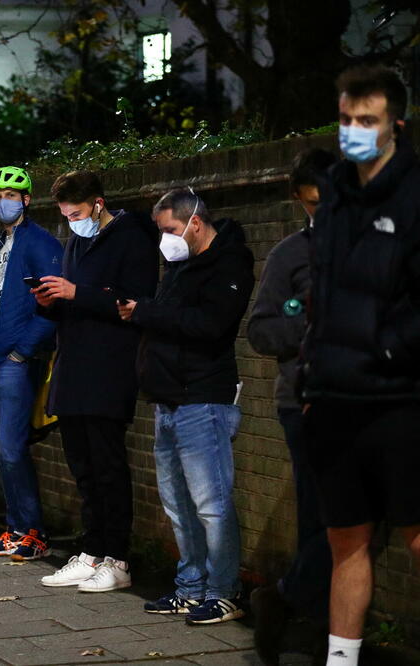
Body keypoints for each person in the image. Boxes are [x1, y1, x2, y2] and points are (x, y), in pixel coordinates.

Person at [298, 65, 420, 666]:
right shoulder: (335, 194)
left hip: (400, 400)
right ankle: (340, 662)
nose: (353, 131)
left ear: (395, 123)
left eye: (366, 121)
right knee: (346, 541)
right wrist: (311, 378)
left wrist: (389, 349)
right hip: (334, 400)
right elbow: (321, 298)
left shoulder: (417, 193)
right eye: (346, 120)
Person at [117, 188, 253, 624]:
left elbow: (211, 325)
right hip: (168, 399)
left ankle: (224, 590)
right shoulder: (179, 264)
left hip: (203, 399)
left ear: (195, 222)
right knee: (177, 503)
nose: (165, 240)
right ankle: (190, 587)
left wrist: (146, 313)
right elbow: (169, 318)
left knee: (211, 503)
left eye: (170, 230)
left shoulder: (230, 262)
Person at [35, 171, 159, 591]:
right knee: (81, 464)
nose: (72, 221)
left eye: (78, 213)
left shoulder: (132, 238)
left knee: (107, 464)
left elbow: (135, 300)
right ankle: (92, 550)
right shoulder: (78, 240)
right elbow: (75, 298)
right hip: (73, 365)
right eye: (66, 215)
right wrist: (51, 301)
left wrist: (77, 294)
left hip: (109, 365)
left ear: (98, 204)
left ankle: (118, 558)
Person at [247, 148, 337, 664]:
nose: (321, 214)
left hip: (366, 400)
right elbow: (261, 330)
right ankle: (321, 628)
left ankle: (284, 601)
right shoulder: (289, 255)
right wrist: (310, 326)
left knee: (354, 518)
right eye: (311, 205)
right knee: (321, 520)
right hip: (303, 402)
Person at [0, 166, 63, 562]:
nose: (1, 202)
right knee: (0, 448)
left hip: (12, 360)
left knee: (12, 447)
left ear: (26, 199)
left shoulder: (40, 242)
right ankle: (16, 529)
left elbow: (53, 301)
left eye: (10, 194)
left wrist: (21, 350)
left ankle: (33, 532)